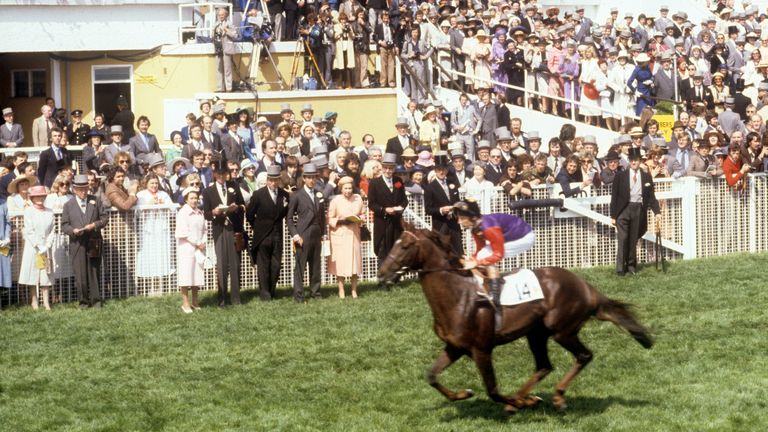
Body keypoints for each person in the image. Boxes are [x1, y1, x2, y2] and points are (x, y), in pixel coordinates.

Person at [452, 199, 535, 308]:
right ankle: (486, 286)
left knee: (484, 256)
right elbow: (480, 248)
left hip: (525, 237)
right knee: (482, 254)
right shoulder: (475, 227)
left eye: (462, 218)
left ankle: (494, 296)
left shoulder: (488, 228)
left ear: (473, 218)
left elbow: (498, 255)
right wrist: (472, 259)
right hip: (514, 234)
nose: (459, 222)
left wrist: (476, 262)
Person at [610, 148, 662, 276]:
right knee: (623, 239)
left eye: (636, 160)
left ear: (640, 161)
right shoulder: (620, 175)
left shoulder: (646, 176)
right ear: (629, 161)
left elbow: (651, 196)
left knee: (633, 239)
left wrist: (657, 212)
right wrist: (613, 215)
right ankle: (621, 269)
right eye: (632, 160)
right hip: (623, 210)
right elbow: (614, 196)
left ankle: (631, 267)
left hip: (638, 208)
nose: (634, 162)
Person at [202, 157, 247, 306]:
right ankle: (222, 298)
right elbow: (206, 214)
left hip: (233, 227)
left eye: (224, 174)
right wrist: (214, 212)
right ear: (215, 174)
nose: (222, 177)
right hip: (219, 229)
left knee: (235, 263)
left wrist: (236, 207)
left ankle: (236, 298)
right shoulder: (208, 191)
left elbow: (242, 205)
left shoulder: (233, 185)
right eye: (219, 174)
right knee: (221, 264)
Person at [61, 174, 110, 308]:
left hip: (94, 241)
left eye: (85, 188)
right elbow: (64, 225)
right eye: (80, 189)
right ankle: (83, 302)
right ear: (74, 189)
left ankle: (96, 302)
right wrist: (73, 230)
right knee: (80, 273)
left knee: (94, 271)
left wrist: (94, 225)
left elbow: (105, 218)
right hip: (77, 243)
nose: (83, 192)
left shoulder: (96, 200)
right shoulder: (68, 205)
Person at [246, 165, 289, 301]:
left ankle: (272, 290)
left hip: (277, 234)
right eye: (271, 180)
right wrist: (257, 227)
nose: (273, 183)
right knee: (263, 265)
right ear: (267, 180)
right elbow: (249, 214)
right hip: (262, 235)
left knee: (276, 264)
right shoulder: (258, 194)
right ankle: (265, 293)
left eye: (275, 180)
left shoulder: (284, 195)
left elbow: (284, 213)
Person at [287, 162, 325, 302]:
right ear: (303, 178)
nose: (311, 180)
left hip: (316, 233)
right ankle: (299, 295)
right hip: (303, 234)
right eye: (308, 177)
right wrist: (296, 235)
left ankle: (316, 292)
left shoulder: (318, 194)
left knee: (316, 265)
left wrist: (323, 233)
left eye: (314, 177)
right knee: (300, 266)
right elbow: (289, 218)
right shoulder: (297, 195)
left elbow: (322, 216)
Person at [367, 153, 408, 271]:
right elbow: (372, 204)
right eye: (386, 168)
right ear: (382, 167)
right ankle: (382, 280)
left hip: (396, 222)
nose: (388, 171)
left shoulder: (398, 181)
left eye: (391, 168)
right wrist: (384, 210)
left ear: (394, 169)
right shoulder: (375, 183)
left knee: (396, 250)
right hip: (382, 222)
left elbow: (404, 200)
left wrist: (400, 208)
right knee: (382, 252)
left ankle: (393, 278)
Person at [327, 176, 365, 299]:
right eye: (345, 188)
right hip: (340, 234)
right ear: (341, 189)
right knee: (341, 264)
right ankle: (341, 290)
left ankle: (354, 290)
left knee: (355, 263)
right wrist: (341, 222)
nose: (348, 191)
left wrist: (361, 219)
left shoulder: (358, 198)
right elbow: (329, 218)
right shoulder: (335, 200)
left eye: (350, 188)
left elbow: (363, 213)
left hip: (354, 234)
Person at [19, 185, 55, 310]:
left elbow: (52, 230)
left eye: (41, 196)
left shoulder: (50, 211)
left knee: (46, 275)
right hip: (33, 247)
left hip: (45, 247)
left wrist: (47, 245)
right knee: (32, 274)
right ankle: (34, 302)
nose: (39, 198)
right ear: (32, 198)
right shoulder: (28, 211)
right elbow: (29, 230)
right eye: (37, 196)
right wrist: (38, 245)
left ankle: (46, 303)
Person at [135, 173, 174, 279]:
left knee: (161, 254)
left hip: (161, 229)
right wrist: (148, 204)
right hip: (147, 230)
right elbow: (136, 213)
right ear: (146, 183)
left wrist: (164, 205)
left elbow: (173, 210)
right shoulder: (140, 195)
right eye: (152, 183)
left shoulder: (164, 194)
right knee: (149, 254)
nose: (154, 185)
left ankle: (161, 282)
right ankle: (149, 283)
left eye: (156, 183)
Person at [423, 152, 462, 255]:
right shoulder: (430, 188)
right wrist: (441, 210)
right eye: (438, 169)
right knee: (441, 253)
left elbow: (457, 201)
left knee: (457, 252)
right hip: (440, 225)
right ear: (435, 171)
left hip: (454, 224)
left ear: (447, 170)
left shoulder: (452, 183)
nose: (441, 172)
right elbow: (428, 209)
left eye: (443, 169)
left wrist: (457, 208)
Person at [175, 187, 207, 313]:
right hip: (186, 248)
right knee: (186, 275)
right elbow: (184, 232)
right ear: (186, 199)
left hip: (198, 249)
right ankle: (185, 303)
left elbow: (205, 229)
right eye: (191, 198)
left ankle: (195, 301)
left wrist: (203, 241)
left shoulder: (199, 212)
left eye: (196, 198)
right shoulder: (183, 213)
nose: (194, 200)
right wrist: (197, 243)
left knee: (196, 275)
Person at [213, 7, 238, 92]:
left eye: (222, 15)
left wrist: (226, 30)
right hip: (218, 48)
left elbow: (235, 36)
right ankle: (220, 88)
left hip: (227, 48)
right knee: (219, 69)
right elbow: (212, 36)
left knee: (227, 69)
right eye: (219, 15)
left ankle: (229, 88)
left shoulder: (229, 24)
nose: (221, 16)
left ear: (226, 15)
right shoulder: (216, 24)